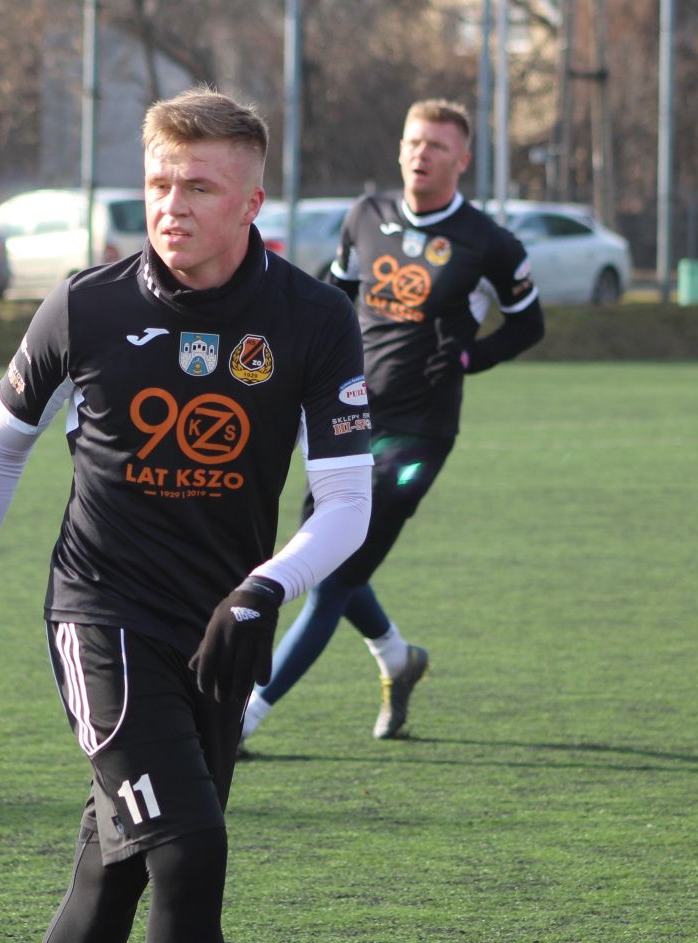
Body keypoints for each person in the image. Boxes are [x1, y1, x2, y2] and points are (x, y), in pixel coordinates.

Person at [0, 88, 374, 943]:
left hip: (219, 632)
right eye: (159, 183)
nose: (171, 206)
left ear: (251, 203)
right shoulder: (88, 306)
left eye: (198, 187)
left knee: (112, 875)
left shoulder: (313, 318)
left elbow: (347, 502)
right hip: (102, 618)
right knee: (190, 854)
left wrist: (264, 589)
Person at [242, 98, 545, 746]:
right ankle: (397, 656)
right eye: (413, 142)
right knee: (328, 553)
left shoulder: (489, 242)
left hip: (420, 434)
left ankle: (244, 717)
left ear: (462, 161)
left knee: (330, 576)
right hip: (346, 415)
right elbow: (333, 298)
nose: (420, 154)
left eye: (437, 146)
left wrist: (468, 357)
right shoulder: (366, 214)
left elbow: (529, 324)